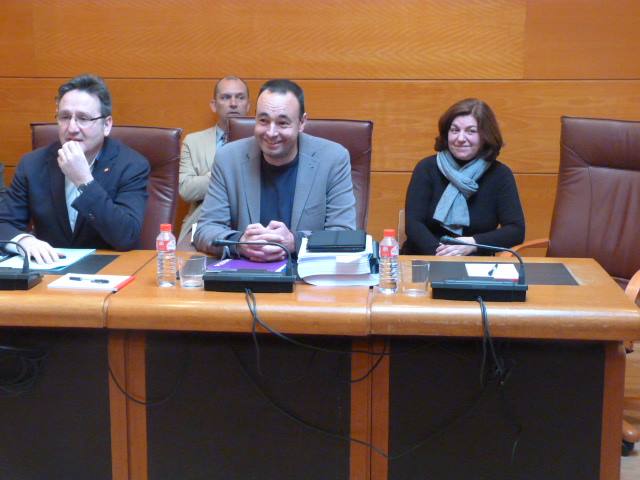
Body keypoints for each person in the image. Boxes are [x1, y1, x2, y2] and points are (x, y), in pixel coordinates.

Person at [194, 79, 356, 261]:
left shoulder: (333, 158)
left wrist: (295, 241)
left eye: (282, 123)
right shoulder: (228, 158)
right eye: (263, 121)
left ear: (302, 122)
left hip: (305, 277)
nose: (271, 133)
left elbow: (344, 235)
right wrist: (240, 243)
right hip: (246, 274)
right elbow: (205, 230)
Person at [0, 74, 150, 263]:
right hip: (49, 271)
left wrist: (84, 181)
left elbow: (125, 236)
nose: (71, 128)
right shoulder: (32, 164)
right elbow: (3, 222)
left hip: (110, 272)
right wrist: (24, 240)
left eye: (83, 118)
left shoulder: (131, 165)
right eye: (64, 117)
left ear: (107, 125)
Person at [403, 98, 525, 256]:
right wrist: (442, 256)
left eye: (471, 131)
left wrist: (474, 243)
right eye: (454, 130)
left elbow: (516, 231)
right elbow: (414, 225)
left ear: (485, 136)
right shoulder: (427, 168)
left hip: (475, 263)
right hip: (425, 258)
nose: (460, 138)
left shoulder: (500, 175)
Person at [178, 76, 251, 244]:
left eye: (240, 97)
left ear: (248, 105)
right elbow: (186, 190)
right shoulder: (193, 141)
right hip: (202, 223)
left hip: (252, 225)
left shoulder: (265, 141)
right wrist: (226, 172)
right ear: (214, 105)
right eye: (226, 97)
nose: (233, 103)